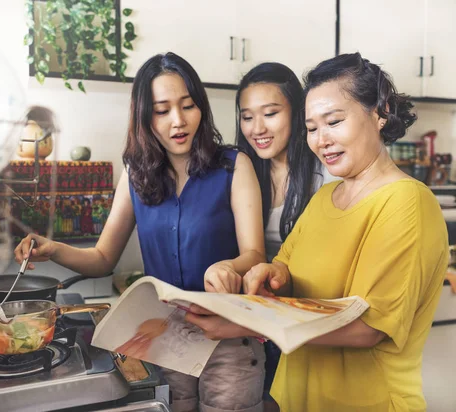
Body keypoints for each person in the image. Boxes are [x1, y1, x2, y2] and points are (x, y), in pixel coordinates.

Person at [184, 53, 449, 412]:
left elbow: (369, 328)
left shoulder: (408, 201)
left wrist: (243, 324)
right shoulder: (326, 196)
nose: (321, 140)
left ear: (380, 113)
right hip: (297, 397)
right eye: (311, 128)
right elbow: (286, 272)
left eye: (334, 121)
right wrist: (267, 277)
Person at [15, 52, 268, 412]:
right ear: (144, 116)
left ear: (202, 107)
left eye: (188, 105)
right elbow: (103, 259)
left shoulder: (233, 166)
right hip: (166, 338)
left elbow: (255, 256)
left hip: (229, 337)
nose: (178, 121)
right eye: (162, 110)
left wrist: (228, 266)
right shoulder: (136, 174)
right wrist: (53, 248)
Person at [235, 63, 330, 410]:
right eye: (247, 117)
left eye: (271, 113)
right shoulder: (241, 173)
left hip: (308, 322)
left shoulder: (325, 175)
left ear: (297, 111)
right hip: (255, 325)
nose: (257, 128)